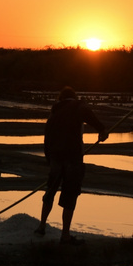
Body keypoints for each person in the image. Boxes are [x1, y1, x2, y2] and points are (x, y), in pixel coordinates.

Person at [37, 86, 108, 242]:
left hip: (56, 156)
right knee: (70, 194)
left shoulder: (54, 113)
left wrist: (50, 159)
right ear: (73, 97)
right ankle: (65, 235)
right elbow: (87, 114)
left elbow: (47, 138)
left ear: (60, 98)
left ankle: (42, 227)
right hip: (72, 156)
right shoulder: (77, 106)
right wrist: (101, 129)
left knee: (50, 191)